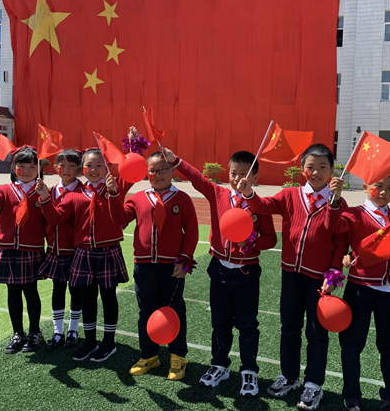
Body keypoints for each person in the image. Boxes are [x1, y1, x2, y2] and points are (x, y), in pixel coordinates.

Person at [237, 143, 349, 411]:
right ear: (302, 170)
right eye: (310, 167)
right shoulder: (290, 195)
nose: (316, 172)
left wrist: (334, 274)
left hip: (319, 281)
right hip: (291, 275)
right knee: (289, 328)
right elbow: (263, 206)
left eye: (322, 167)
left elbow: (340, 243)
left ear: (332, 171)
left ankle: (313, 384)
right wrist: (249, 192)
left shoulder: (338, 203)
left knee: (317, 333)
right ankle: (289, 376)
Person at [163, 148, 277, 396]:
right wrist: (175, 160)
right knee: (220, 323)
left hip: (246, 272)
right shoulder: (218, 194)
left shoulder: (260, 205)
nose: (238, 179)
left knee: (247, 325)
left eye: (244, 174)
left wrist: (251, 242)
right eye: (234, 173)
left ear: (255, 177)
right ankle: (220, 365)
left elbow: (271, 238)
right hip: (219, 270)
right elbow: (197, 179)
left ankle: (249, 371)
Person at [36, 148, 132, 363]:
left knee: (108, 297)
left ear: (107, 168)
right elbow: (55, 218)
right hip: (83, 252)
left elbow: (132, 170)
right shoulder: (75, 193)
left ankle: (109, 342)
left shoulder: (115, 186)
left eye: (99, 165)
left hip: (108, 250)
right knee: (87, 298)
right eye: (89, 165)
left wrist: (133, 147)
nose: (94, 169)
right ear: (83, 169)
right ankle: (90, 341)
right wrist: (44, 198)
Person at [109, 151, 199, 381]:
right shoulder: (138, 198)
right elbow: (119, 219)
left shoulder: (182, 199)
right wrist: (113, 194)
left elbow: (191, 231)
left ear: (172, 171)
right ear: (145, 173)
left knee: (174, 312)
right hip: (144, 267)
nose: (157, 175)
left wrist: (185, 259)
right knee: (146, 312)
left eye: (162, 169)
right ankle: (149, 355)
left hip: (172, 268)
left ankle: (178, 357)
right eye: (152, 171)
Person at [326, 173, 390, 411]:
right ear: (365, 187)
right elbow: (333, 225)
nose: (383, 192)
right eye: (378, 186)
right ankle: (351, 395)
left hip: (389, 292)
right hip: (360, 289)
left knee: (389, 347)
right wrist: (335, 198)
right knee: (352, 345)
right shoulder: (355, 213)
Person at [0, 145, 46, 354]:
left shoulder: (42, 191)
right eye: (22, 166)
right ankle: (17, 333)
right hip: (8, 249)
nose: (27, 171)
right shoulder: (6, 190)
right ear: (14, 168)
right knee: (13, 292)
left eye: (32, 167)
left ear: (39, 169)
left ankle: (35, 332)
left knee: (31, 291)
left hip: (31, 249)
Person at [38, 149, 84, 350]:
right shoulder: (49, 190)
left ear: (79, 169)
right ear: (56, 167)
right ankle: (58, 331)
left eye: (72, 166)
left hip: (76, 251)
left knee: (76, 291)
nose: (66, 170)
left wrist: (44, 198)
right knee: (57, 290)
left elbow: (55, 217)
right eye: (62, 165)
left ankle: (73, 329)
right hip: (55, 250)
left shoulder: (82, 192)